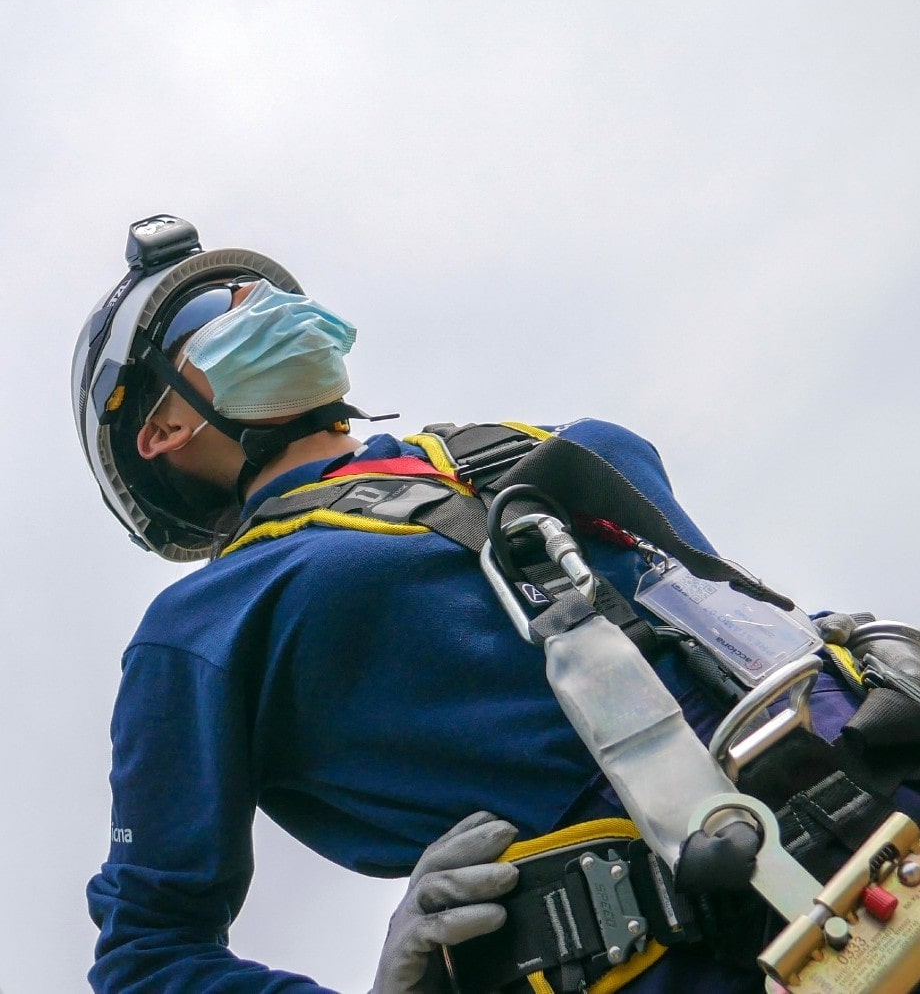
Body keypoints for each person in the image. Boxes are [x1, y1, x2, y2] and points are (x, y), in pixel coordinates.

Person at [73, 215, 920, 994]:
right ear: (162, 431)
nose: (258, 306)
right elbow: (148, 955)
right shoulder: (208, 621)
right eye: (210, 315)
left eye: (262, 291)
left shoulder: (507, 448)